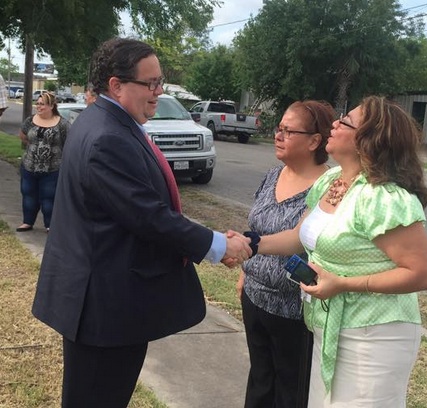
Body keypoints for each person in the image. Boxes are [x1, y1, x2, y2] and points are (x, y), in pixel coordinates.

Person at [31, 37, 251, 408]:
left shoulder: (105, 121)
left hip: (102, 302)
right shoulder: (107, 137)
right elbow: (149, 216)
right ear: (116, 85)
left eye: (160, 82)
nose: (158, 91)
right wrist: (218, 244)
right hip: (103, 309)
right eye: (150, 84)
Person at [231, 96, 427, 407]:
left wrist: (343, 284)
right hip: (327, 326)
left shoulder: (384, 198)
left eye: (345, 121)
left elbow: (423, 274)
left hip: (374, 335)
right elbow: (298, 237)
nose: (334, 124)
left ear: (367, 140)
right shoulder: (331, 180)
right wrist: (251, 244)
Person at [236, 100, 335, 408]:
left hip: (295, 311)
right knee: (261, 381)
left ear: (314, 140)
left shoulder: (329, 186)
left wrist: (247, 246)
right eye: (278, 128)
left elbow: (301, 239)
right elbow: (256, 225)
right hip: (255, 297)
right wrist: (244, 271)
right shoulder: (273, 175)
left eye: (288, 131)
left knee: (290, 390)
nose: (278, 135)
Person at [17, 92, 69, 232]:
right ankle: (27, 222)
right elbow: (22, 136)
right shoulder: (30, 121)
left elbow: (68, 143)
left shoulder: (62, 123)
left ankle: (49, 225)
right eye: (38, 104)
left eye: (42, 104)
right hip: (29, 166)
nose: (39, 107)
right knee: (28, 194)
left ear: (51, 106)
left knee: (48, 198)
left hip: (52, 169)